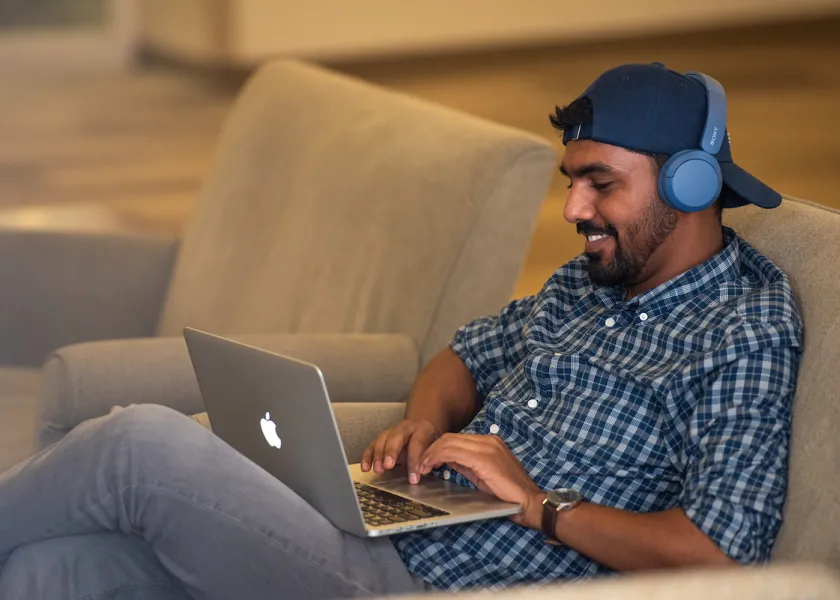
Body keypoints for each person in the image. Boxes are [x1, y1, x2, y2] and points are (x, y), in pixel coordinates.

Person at [0, 62, 801, 599]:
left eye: (601, 184)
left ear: (691, 184)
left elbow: (719, 554)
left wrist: (538, 504)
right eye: (571, 181)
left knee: (140, 446)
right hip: (386, 527)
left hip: (429, 586)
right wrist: (423, 420)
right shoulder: (588, 282)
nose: (572, 211)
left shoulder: (743, 328)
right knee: (50, 569)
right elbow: (461, 357)